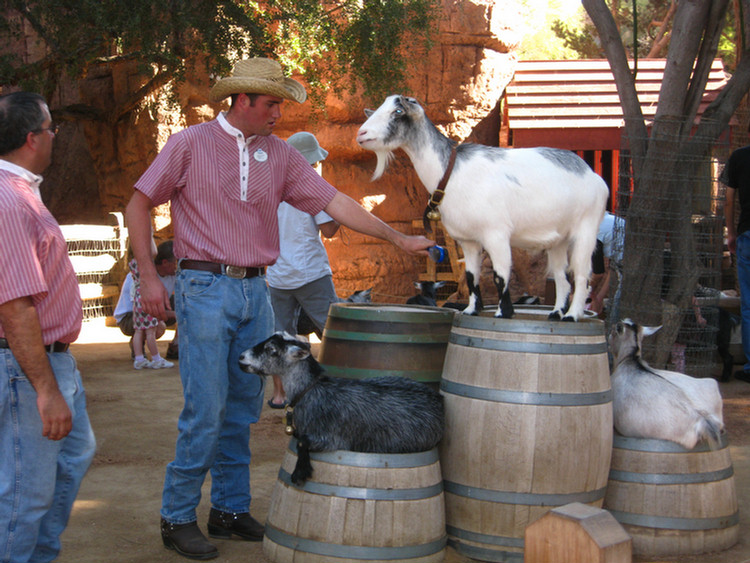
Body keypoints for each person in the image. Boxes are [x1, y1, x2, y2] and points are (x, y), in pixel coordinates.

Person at [124, 57, 433, 560]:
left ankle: (227, 509)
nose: (277, 114)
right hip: (203, 287)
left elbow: (336, 204)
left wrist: (398, 237)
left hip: (257, 292)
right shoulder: (188, 143)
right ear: (242, 100)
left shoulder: (282, 156)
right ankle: (177, 516)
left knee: (244, 407)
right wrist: (150, 276)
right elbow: (139, 202)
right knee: (206, 407)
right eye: (271, 104)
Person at [0, 91, 97, 562]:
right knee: (25, 491)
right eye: (51, 127)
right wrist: (44, 388)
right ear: (32, 138)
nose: (56, 135)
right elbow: (14, 306)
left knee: (71, 460)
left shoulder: (20, 192)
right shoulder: (7, 200)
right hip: (28, 363)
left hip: (50, 359)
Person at [265, 132, 339, 408]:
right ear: (311, 162)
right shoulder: (313, 186)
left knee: (280, 336)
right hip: (311, 273)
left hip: (278, 276)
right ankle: (338, 385)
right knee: (332, 330)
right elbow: (329, 229)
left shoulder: (270, 187)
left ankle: (280, 395)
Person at [113, 240, 179, 360]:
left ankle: (176, 345)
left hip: (154, 310)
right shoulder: (141, 275)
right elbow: (142, 308)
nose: (178, 266)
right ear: (165, 262)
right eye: (176, 262)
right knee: (159, 326)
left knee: (185, 305)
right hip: (131, 316)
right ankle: (138, 346)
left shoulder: (172, 275)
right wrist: (175, 314)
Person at [722, 137, 750, 383]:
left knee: (749, 305)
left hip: (747, 235)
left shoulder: (738, 157)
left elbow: (729, 199)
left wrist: (730, 232)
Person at [129, 240, 174, 370]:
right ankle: (156, 358)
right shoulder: (145, 264)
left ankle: (139, 359)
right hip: (147, 297)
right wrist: (149, 234)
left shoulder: (132, 264)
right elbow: (153, 251)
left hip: (138, 298)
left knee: (138, 330)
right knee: (150, 332)